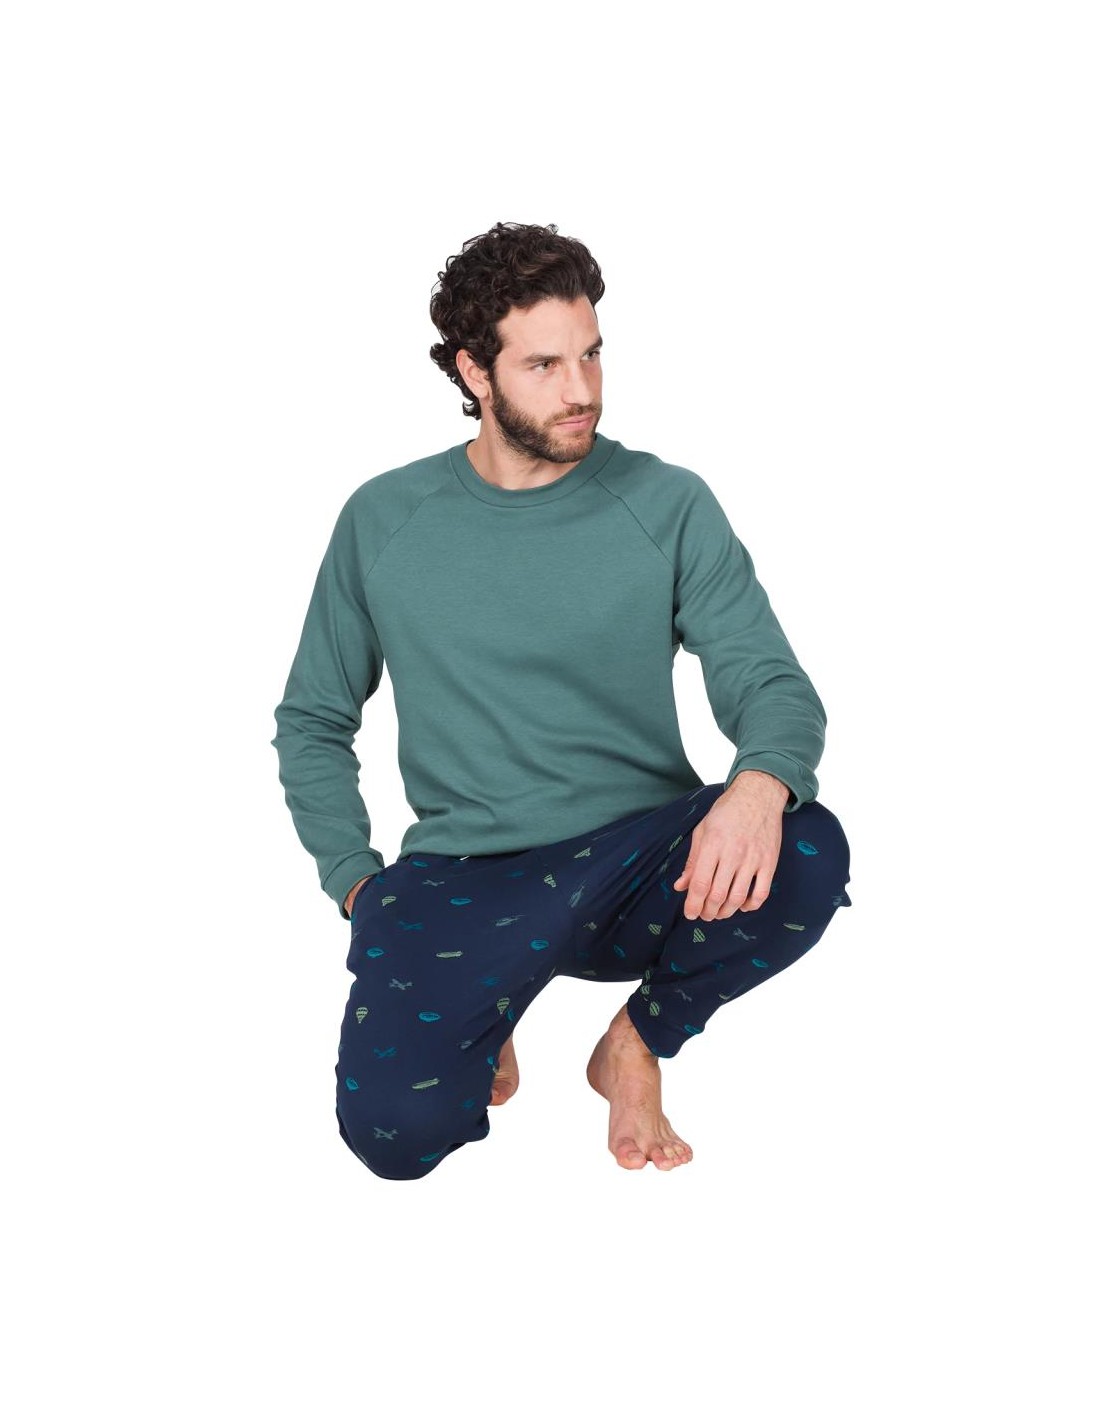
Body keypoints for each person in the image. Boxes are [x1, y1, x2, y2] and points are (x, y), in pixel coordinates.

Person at [271, 220, 852, 1180]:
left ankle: (635, 1044)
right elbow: (313, 720)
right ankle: (490, 1002)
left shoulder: (667, 502)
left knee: (807, 845)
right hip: (466, 877)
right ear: (474, 372)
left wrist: (758, 788)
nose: (581, 389)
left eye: (591, 354)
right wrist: (355, 883)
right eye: (544, 364)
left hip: (640, 864)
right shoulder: (384, 517)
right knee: (395, 1137)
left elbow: (770, 682)